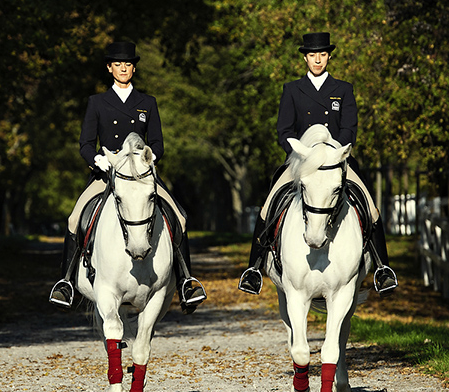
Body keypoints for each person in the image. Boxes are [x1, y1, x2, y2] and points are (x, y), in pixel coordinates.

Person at [49, 41, 208, 313]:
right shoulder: (97, 102)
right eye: (118, 64)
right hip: (107, 172)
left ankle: (185, 282)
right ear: (110, 68)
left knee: (179, 216)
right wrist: (98, 159)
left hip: (141, 175)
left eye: (128, 64)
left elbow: (157, 142)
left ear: (133, 68)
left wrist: (148, 160)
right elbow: (86, 144)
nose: (123, 68)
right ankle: (67, 283)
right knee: (74, 219)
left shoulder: (147, 103)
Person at [237, 31, 398, 296]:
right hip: (301, 160)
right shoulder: (292, 89)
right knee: (267, 207)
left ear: (329, 56)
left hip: (335, 160)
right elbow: (284, 131)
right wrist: (303, 153)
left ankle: (383, 269)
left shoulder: (343, 89)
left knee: (371, 208)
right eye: (313, 55)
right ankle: (254, 269)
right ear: (305, 58)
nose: (318, 60)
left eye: (322, 55)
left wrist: (332, 152)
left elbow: (349, 129)